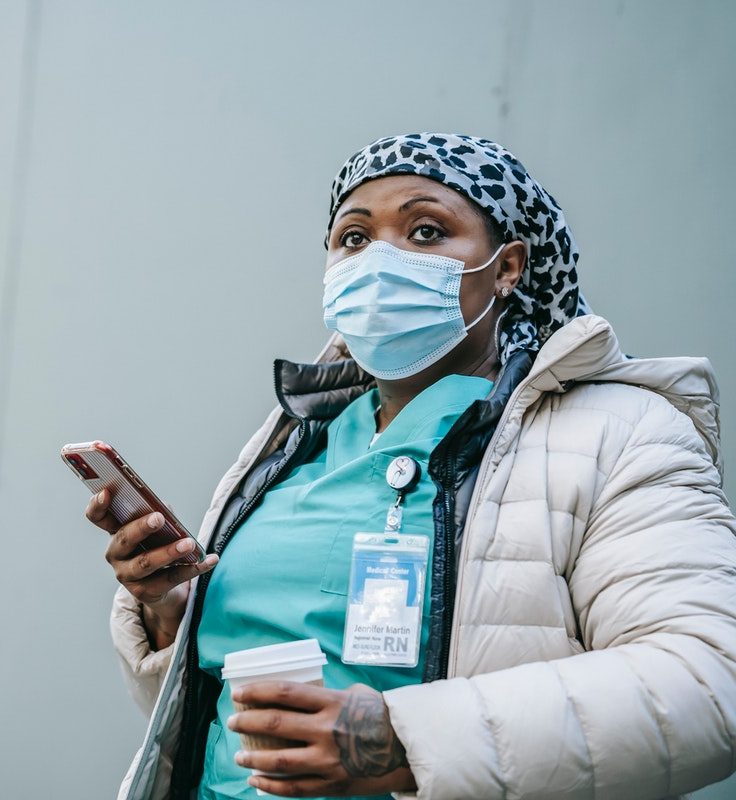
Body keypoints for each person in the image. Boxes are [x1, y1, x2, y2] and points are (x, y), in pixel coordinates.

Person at [86, 133, 736, 800]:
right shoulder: (297, 438)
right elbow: (220, 698)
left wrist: (405, 742)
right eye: (354, 238)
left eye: (426, 231)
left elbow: (709, 682)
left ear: (508, 267)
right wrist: (169, 609)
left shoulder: (616, 435)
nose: (381, 261)